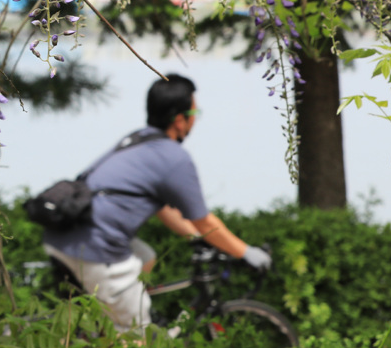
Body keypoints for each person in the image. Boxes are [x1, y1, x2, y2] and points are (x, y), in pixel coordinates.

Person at [42, 74, 272, 333]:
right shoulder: (174, 158)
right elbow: (204, 220)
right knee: (138, 342)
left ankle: (106, 324)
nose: (196, 118)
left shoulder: (137, 140)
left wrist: (196, 237)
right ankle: (127, 333)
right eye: (194, 111)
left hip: (64, 234)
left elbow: (164, 209)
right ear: (179, 119)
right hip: (98, 247)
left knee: (145, 257)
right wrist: (245, 252)